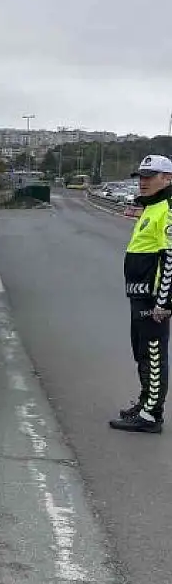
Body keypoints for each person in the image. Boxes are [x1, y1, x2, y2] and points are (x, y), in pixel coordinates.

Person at [112, 155, 172, 433]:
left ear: (167, 179)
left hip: (153, 299)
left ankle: (151, 416)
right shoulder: (152, 206)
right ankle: (146, 402)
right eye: (142, 177)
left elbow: (170, 257)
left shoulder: (167, 209)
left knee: (153, 353)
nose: (143, 182)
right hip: (139, 295)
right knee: (141, 352)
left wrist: (164, 301)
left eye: (151, 176)